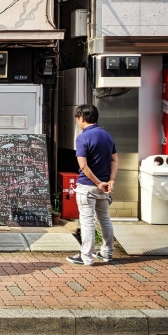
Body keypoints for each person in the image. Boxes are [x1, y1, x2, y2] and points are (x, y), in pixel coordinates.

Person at [66, 104, 118, 266]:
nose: (78, 123)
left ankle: (86, 256)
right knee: (104, 219)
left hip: (87, 186)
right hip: (104, 187)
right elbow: (115, 159)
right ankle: (106, 253)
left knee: (87, 220)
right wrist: (110, 181)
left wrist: (98, 182)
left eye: (77, 119)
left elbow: (83, 165)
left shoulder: (82, 137)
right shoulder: (107, 135)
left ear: (81, 118)